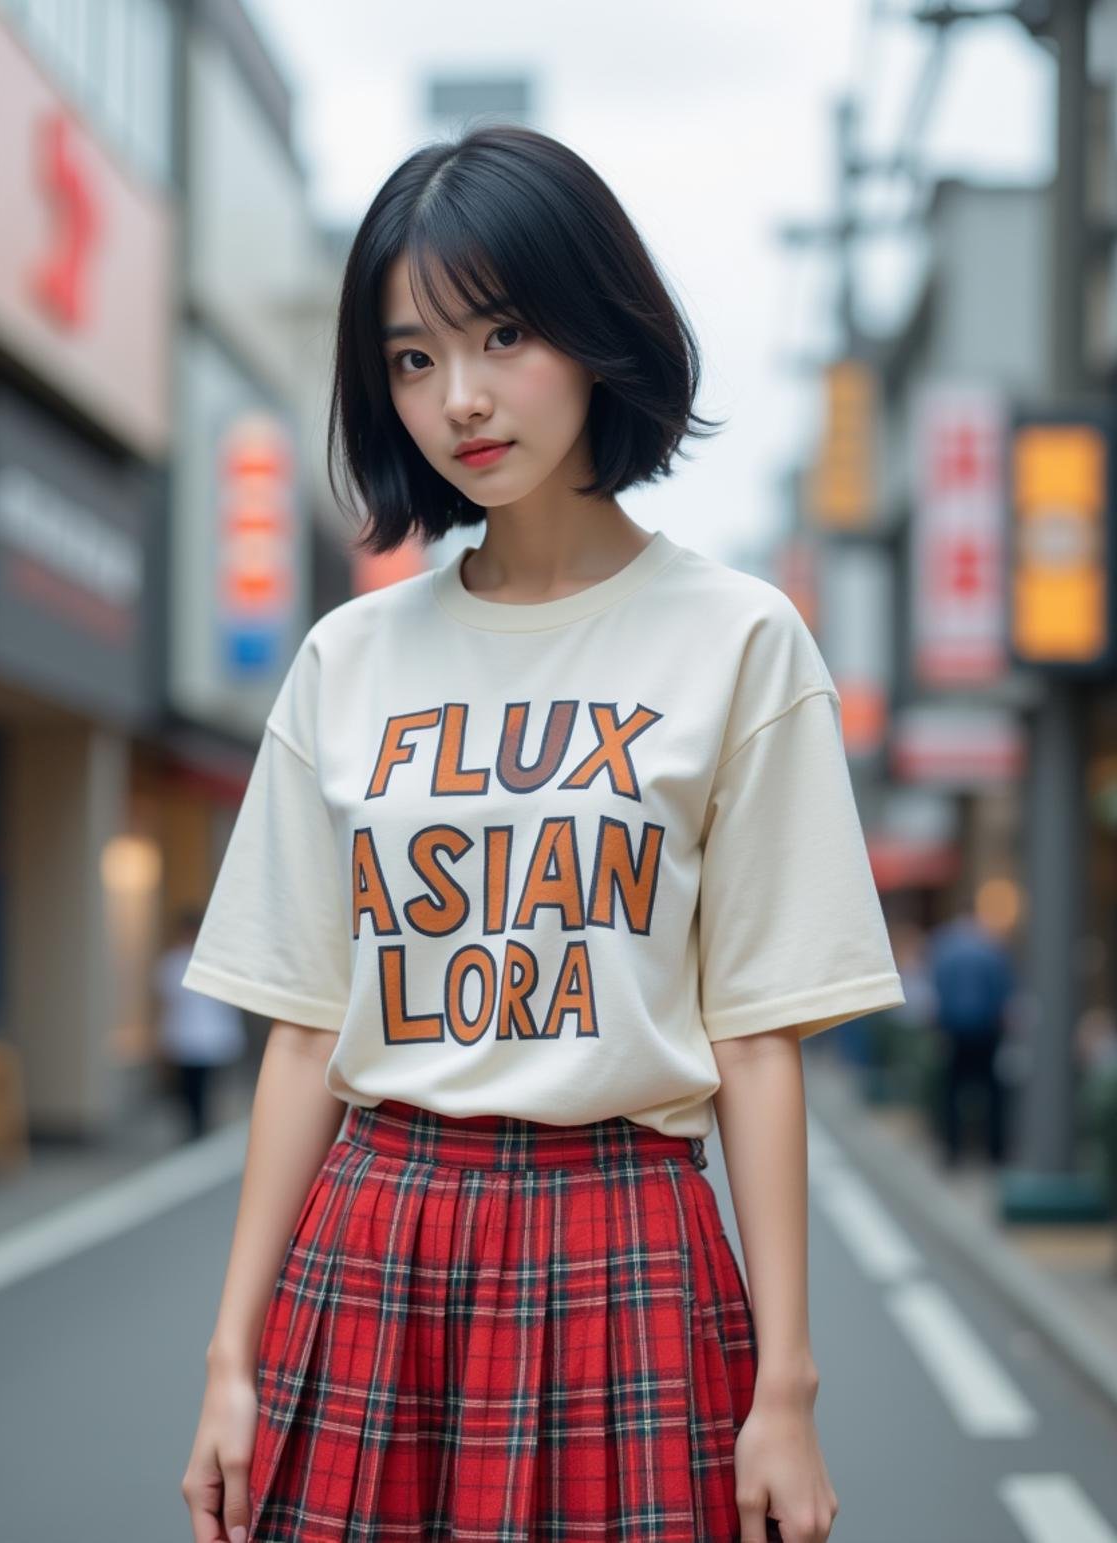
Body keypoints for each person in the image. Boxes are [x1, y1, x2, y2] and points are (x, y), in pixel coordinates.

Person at [179, 123, 905, 1543]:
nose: (460, 397)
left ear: (594, 325)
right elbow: (304, 1029)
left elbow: (757, 1035)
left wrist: (788, 1383)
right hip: (372, 1230)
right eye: (410, 357)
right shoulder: (347, 658)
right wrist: (229, 1354)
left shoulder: (740, 640)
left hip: (625, 1236)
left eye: (502, 333)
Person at [926, 908, 1015, 1167]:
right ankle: (994, 1150)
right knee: (992, 1091)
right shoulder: (990, 948)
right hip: (986, 1030)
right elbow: (1003, 990)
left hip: (952, 1029)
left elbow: (935, 987)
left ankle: (953, 1150)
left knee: (952, 1091)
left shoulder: (944, 947)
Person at [153, 908, 247, 1141]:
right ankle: (195, 1125)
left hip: (211, 1036)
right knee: (187, 1085)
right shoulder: (173, 962)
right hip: (184, 1035)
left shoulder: (216, 961)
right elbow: (166, 1002)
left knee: (204, 1086)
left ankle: (200, 1125)